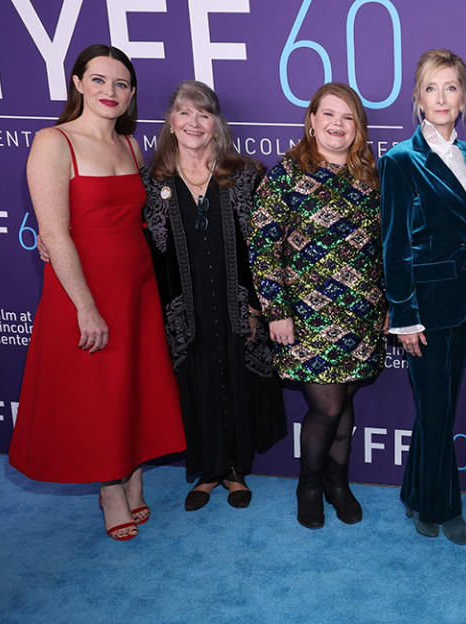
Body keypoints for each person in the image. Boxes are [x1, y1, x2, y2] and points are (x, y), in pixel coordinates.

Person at [8, 44, 186, 541]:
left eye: (122, 84)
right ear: (78, 83)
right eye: (100, 80)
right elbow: (56, 233)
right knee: (98, 392)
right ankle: (110, 487)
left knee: (131, 384)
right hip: (83, 289)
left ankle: (132, 471)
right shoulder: (52, 141)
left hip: (137, 285)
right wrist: (85, 306)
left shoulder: (130, 146)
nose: (111, 92)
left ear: (131, 95)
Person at [140, 81, 286, 511]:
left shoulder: (246, 175)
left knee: (236, 378)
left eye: (203, 114)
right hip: (184, 306)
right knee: (196, 380)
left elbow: (267, 244)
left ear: (217, 123)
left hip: (237, 302)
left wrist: (262, 303)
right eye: (185, 113)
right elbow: (123, 232)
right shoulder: (152, 181)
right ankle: (207, 471)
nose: (194, 122)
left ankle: (236, 470)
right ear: (171, 121)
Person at [251, 82, 385, 529]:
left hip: (360, 313)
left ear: (359, 128)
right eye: (328, 114)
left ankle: (338, 483)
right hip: (305, 316)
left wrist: (387, 305)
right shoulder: (286, 173)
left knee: (345, 402)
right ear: (311, 121)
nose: (337, 125)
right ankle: (309, 485)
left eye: (348, 117)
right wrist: (276, 311)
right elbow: (263, 247)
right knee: (327, 407)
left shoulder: (371, 177)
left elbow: (383, 248)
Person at [379, 49, 466, 545]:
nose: (441, 98)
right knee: (438, 409)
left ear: (463, 97)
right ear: (417, 99)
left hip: (465, 305)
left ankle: (415, 495)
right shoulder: (401, 160)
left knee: (437, 409)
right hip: (424, 309)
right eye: (431, 88)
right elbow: (394, 245)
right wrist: (405, 316)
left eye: (450, 88)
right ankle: (442, 508)